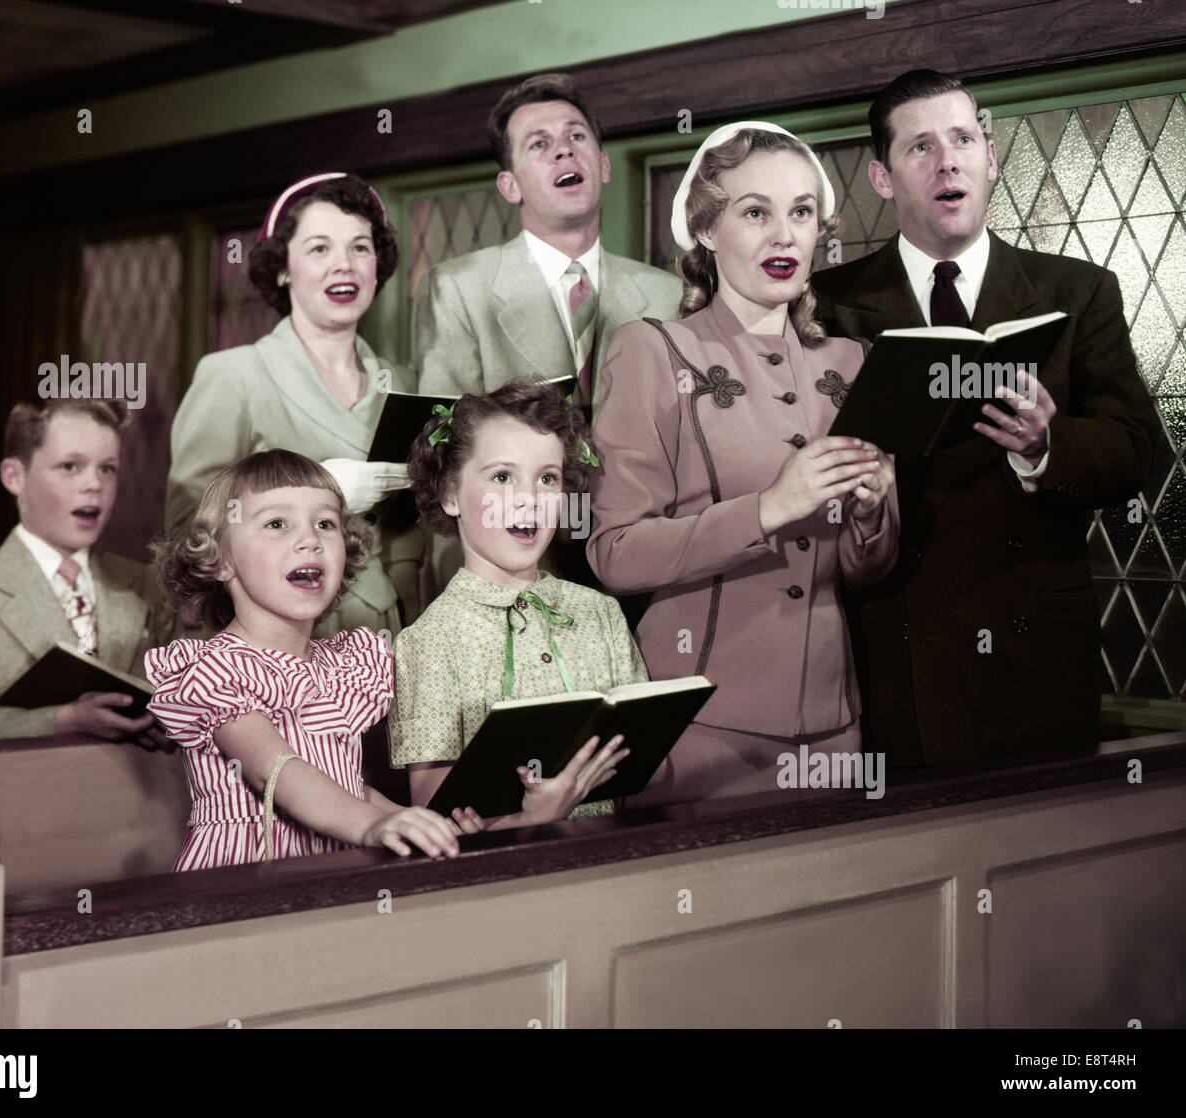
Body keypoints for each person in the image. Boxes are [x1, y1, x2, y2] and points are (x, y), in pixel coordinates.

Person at [811, 70, 1157, 766]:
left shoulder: (1078, 292)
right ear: (883, 178)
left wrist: (1044, 445)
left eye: (964, 139)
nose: (948, 161)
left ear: (990, 157)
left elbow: (1137, 451)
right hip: (890, 648)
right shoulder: (827, 304)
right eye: (921, 148)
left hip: (1033, 653)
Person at [587, 123, 900, 806]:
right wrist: (769, 508)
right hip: (697, 723)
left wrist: (872, 515)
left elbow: (865, 571)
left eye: (802, 212)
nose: (784, 236)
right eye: (755, 212)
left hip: (834, 720)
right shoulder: (650, 350)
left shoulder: (852, 364)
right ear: (705, 228)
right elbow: (614, 552)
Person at [146, 450, 480, 870]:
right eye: (276, 524)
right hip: (246, 880)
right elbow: (275, 770)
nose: (309, 540)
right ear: (221, 559)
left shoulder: (339, 667)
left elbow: (345, 787)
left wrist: (411, 821)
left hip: (335, 868)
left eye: (325, 524)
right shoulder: (218, 670)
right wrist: (369, 828)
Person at [166, 172, 423, 640]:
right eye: (319, 248)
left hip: (386, 632)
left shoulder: (402, 383)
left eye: (360, 247)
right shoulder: (233, 375)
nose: (343, 264)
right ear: (283, 269)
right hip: (276, 639)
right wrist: (324, 492)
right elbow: (189, 534)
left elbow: (409, 529)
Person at [388, 380, 638, 827]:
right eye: (502, 477)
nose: (529, 499)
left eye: (547, 478)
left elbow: (640, 757)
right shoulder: (428, 643)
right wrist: (528, 821)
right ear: (449, 494)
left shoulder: (600, 613)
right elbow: (434, 813)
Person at [413, 73, 681, 413]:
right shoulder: (457, 290)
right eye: (539, 143)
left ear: (604, 165)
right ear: (510, 186)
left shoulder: (669, 296)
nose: (564, 150)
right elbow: (444, 442)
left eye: (577, 136)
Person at [0, 399, 175, 744]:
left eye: (107, 468)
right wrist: (63, 719)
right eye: (70, 466)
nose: (94, 485)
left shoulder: (147, 583)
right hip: (27, 792)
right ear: (14, 477)